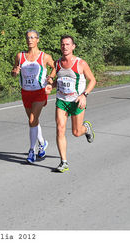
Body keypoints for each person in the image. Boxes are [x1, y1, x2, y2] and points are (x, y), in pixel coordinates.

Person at [47, 35, 96, 173]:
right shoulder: (57, 63)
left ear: (73, 46)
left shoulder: (81, 63)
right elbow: (59, 81)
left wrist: (84, 95)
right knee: (60, 128)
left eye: (68, 44)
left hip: (77, 101)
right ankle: (63, 162)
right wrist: (52, 85)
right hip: (62, 100)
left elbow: (92, 80)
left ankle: (85, 128)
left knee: (76, 132)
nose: (65, 47)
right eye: (62, 44)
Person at [11, 30, 56, 164]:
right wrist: (14, 72)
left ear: (37, 39)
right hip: (26, 92)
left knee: (32, 119)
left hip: (39, 91)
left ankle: (32, 150)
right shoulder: (20, 56)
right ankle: (42, 143)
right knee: (33, 121)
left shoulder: (44, 56)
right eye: (27, 38)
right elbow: (14, 72)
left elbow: (55, 67)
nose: (29, 40)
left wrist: (51, 77)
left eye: (32, 37)